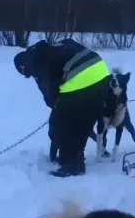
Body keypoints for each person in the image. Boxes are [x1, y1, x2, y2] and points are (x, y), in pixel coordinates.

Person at [13, 37, 110, 177]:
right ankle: (75, 157)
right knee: (84, 120)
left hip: (80, 77)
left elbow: (50, 95)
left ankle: (72, 162)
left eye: (24, 73)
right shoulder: (52, 48)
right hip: (101, 74)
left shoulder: (35, 61)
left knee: (60, 123)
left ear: (22, 66)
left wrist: (58, 110)